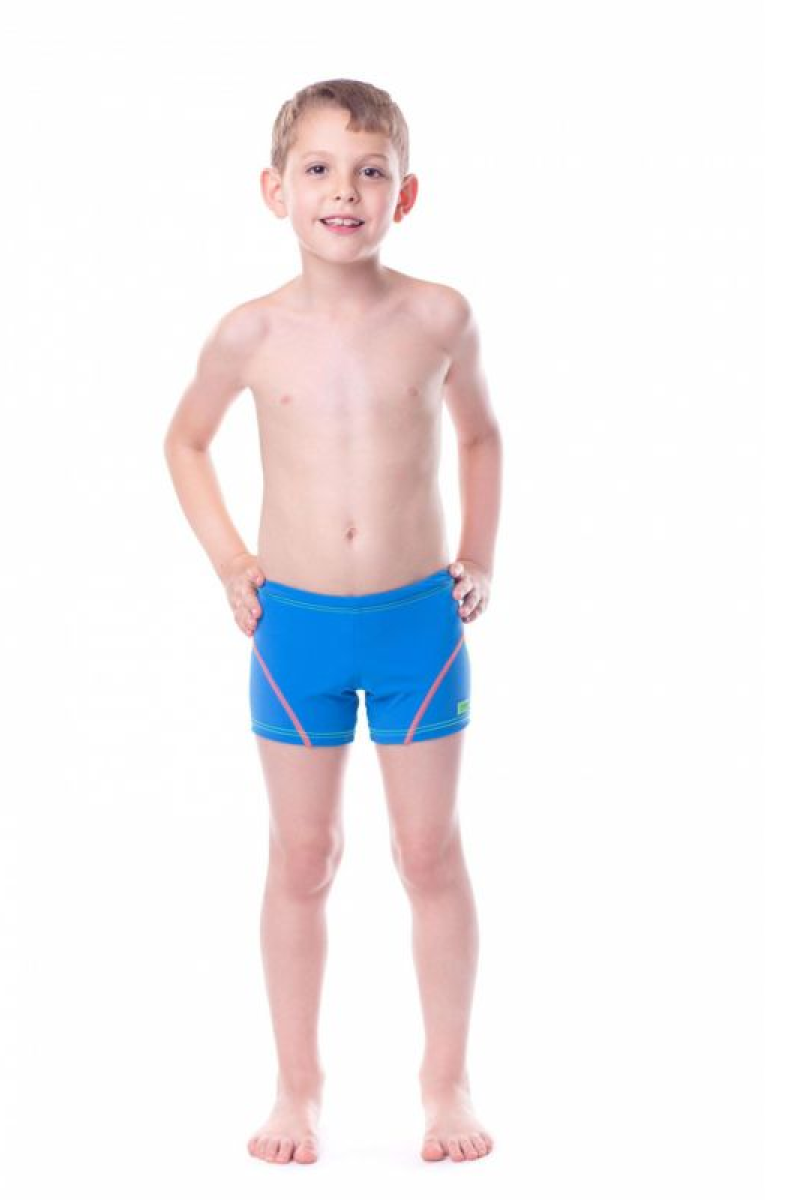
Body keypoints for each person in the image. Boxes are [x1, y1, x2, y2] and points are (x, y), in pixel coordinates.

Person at [164, 78, 502, 1165]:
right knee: (302, 857)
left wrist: (480, 554)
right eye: (317, 169)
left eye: (370, 171)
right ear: (276, 190)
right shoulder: (250, 332)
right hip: (295, 633)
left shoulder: (440, 316)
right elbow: (185, 441)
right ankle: (297, 1088)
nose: (343, 191)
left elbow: (481, 437)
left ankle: (445, 1083)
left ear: (406, 193)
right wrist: (232, 562)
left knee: (427, 852)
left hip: (417, 627)